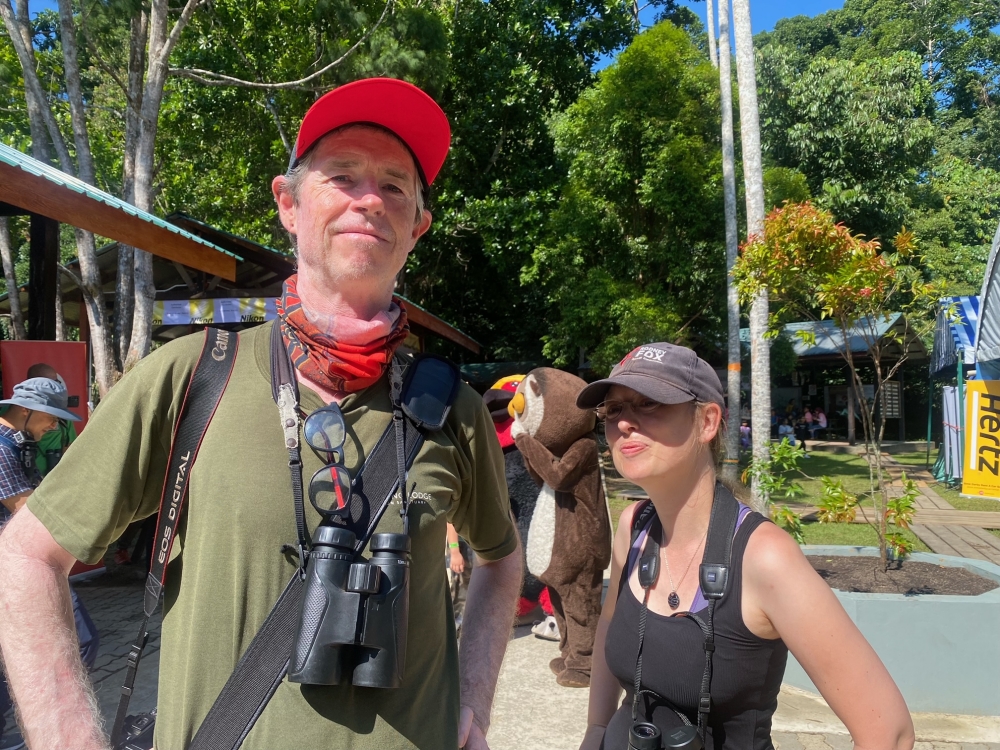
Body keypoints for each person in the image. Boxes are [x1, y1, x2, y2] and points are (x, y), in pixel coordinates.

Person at [0, 78, 522, 750]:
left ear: (417, 225)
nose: (370, 199)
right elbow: (26, 556)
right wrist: (71, 738)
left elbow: (500, 560)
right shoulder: (190, 376)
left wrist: (474, 702)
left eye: (395, 185)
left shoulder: (454, 408)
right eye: (342, 176)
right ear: (288, 203)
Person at [576, 342, 913, 749]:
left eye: (649, 403)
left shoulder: (763, 556)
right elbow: (611, 623)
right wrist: (596, 730)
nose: (624, 423)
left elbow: (888, 731)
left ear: (707, 421)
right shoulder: (634, 527)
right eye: (613, 410)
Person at [0, 378, 93, 750]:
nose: (53, 426)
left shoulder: (16, 445)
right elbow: (26, 511)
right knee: (80, 639)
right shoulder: (2, 451)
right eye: (50, 418)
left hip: (21, 565)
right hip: (19, 569)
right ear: (26, 410)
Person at [23, 363, 77, 476]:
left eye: (56, 383)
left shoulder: (62, 416)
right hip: (19, 478)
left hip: (52, 478)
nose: (52, 425)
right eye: (50, 383)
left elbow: (70, 448)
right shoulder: (9, 414)